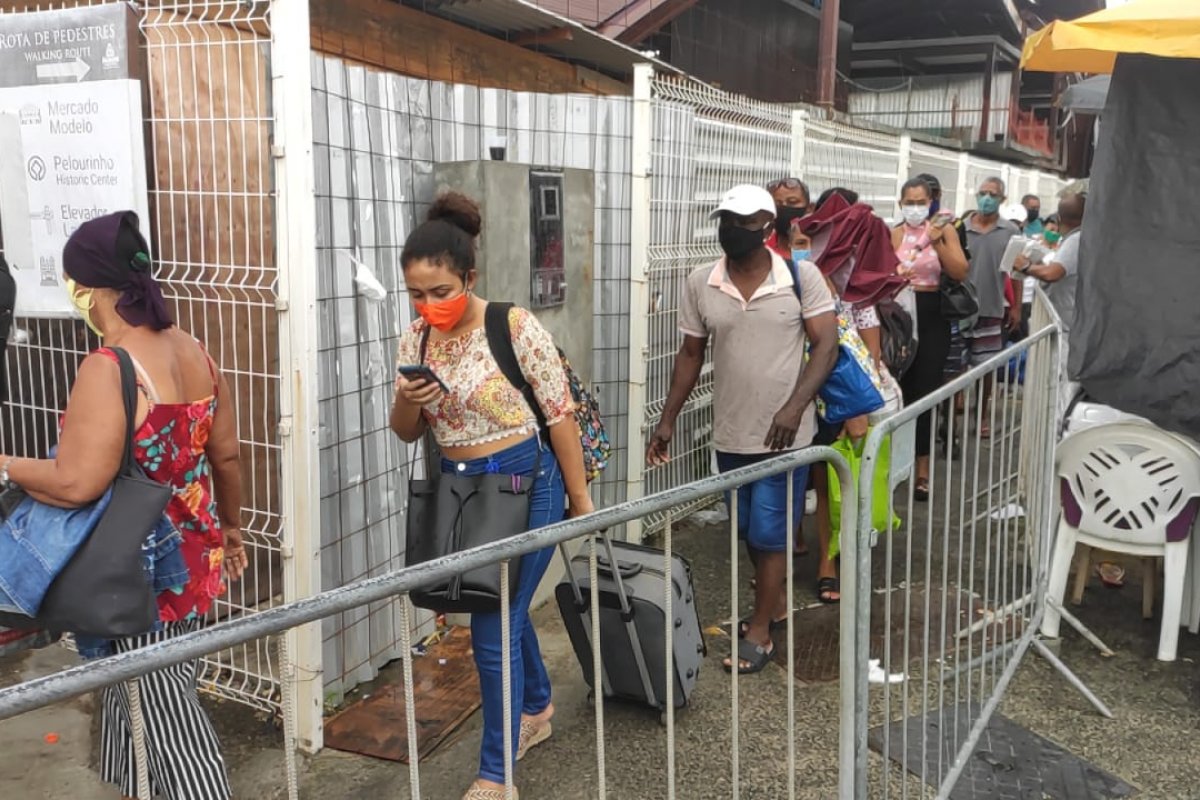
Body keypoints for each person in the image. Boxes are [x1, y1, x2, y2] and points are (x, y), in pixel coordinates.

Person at [0, 211, 246, 800]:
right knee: (131, 705)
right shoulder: (196, 352)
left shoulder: (110, 367)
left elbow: (76, 482)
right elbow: (228, 455)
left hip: (139, 571)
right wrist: (232, 528)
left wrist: (6, 465)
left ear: (87, 287)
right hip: (193, 554)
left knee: (168, 721)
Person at [390, 192, 593, 800]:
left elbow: (559, 415)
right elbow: (405, 432)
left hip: (528, 482)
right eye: (416, 294)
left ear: (469, 278)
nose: (429, 305)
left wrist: (579, 502)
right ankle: (536, 705)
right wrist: (408, 401)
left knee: (493, 620)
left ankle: (495, 775)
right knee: (498, 604)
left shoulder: (512, 325)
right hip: (462, 491)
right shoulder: (416, 340)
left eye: (440, 291)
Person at [647, 184, 838, 672]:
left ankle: (761, 632)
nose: (733, 230)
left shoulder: (800, 276)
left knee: (771, 533)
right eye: (727, 221)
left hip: (785, 436)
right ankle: (775, 601)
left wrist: (794, 407)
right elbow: (690, 354)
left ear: (768, 227)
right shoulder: (701, 282)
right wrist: (667, 420)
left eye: (745, 222)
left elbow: (826, 346)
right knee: (750, 530)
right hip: (732, 431)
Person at [892, 177, 970, 501]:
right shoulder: (894, 233)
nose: (914, 208)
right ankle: (897, 462)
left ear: (930, 203)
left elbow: (960, 271)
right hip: (900, 313)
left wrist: (937, 242)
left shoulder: (943, 230)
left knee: (925, 389)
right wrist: (897, 276)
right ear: (901, 204)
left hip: (932, 312)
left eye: (920, 202)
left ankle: (922, 470)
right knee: (900, 387)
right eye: (909, 202)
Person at [961, 177, 1022, 435]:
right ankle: (952, 414)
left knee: (986, 368)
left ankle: (982, 416)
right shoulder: (960, 228)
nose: (986, 198)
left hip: (992, 308)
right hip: (960, 309)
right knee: (955, 366)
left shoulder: (1010, 232)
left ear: (1002, 200)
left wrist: (1016, 307)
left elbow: (1016, 272)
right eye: (983, 193)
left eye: (993, 194)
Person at [1015, 193, 1085, 334]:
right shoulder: (1077, 238)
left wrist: (1026, 266)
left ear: (1059, 219)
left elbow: (1053, 274)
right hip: (1064, 324)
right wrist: (1038, 265)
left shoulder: (1075, 240)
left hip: (1064, 329)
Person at [766, 177, 812, 258]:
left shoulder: (821, 246)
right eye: (777, 204)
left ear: (809, 208)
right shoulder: (762, 249)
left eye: (792, 202)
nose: (784, 207)